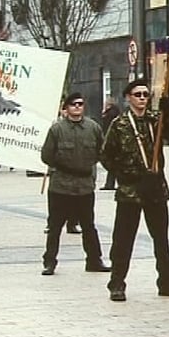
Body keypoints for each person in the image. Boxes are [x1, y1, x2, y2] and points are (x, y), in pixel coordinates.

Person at [100, 78, 169, 302]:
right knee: (123, 238)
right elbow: (106, 155)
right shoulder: (119, 124)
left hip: (155, 187)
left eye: (145, 95)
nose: (142, 99)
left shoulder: (154, 121)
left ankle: (167, 280)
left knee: (161, 238)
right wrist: (125, 174)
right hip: (131, 190)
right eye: (137, 95)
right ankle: (117, 283)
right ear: (128, 98)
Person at [40, 92, 110, 276]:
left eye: (80, 104)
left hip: (84, 187)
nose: (77, 107)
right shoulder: (57, 130)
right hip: (61, 187)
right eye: (73, 104)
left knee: (89, 226)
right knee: (55, 227)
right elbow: (46, 155)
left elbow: (102, 151)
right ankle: (49, 262)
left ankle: (94, 260)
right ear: (67, 108)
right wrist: (63, 166)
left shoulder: (92, 128)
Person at [100, 96, 121, 191]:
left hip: (112, 140)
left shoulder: (110, 114)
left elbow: (107, 127)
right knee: (114, 164)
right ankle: (110, 183)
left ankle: (110, 184)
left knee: (113, 163)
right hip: (113, 140)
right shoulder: (114, 113)